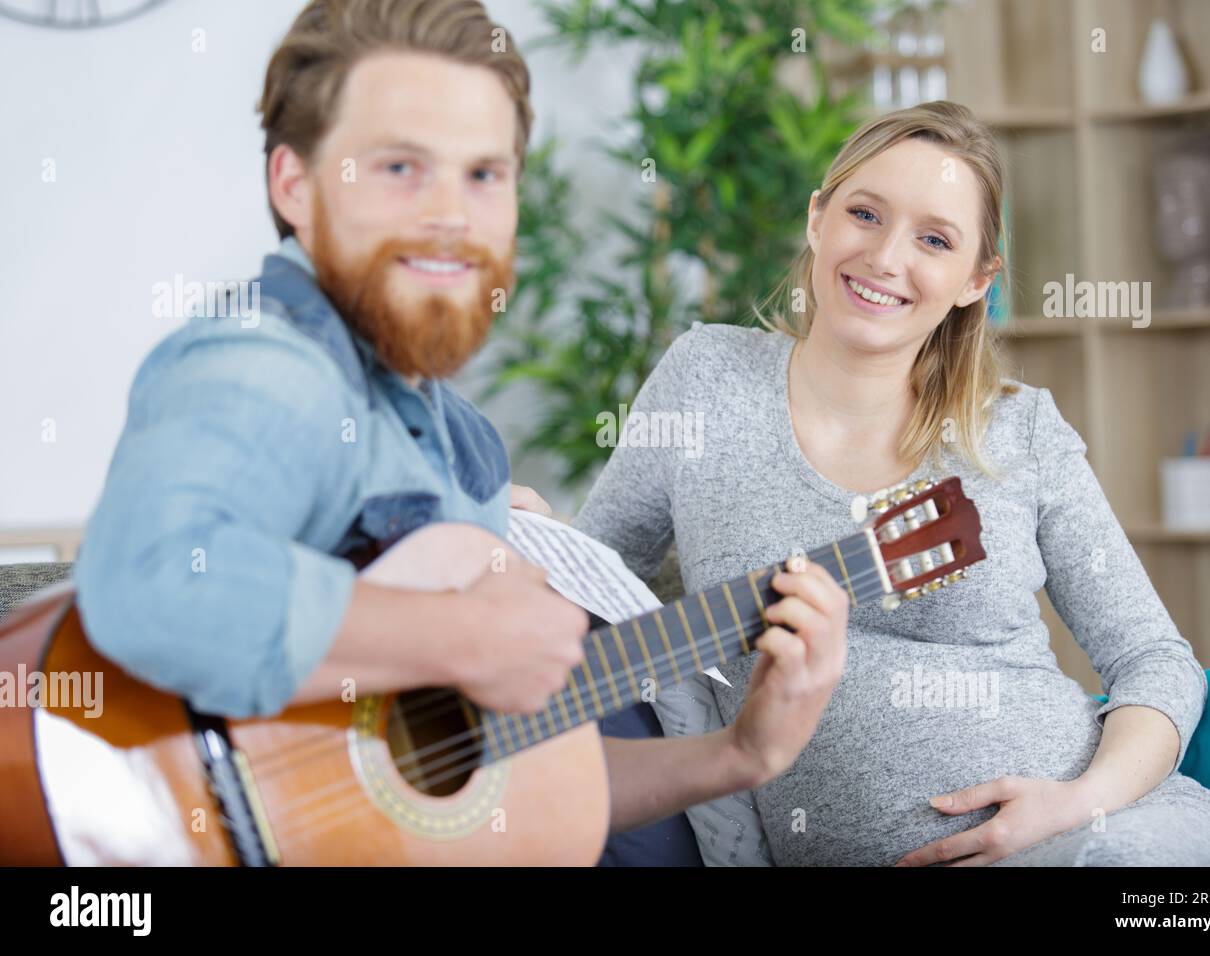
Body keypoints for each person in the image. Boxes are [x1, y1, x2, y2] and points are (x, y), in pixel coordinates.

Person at [73, 0, 847, 848]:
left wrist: (740, 753)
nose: (452, 213)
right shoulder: (273, 366)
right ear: (294, 184)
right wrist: (459, 631)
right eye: (401, 167)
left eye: (484, 174)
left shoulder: (462, 443)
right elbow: (151, 577)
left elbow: (497, 789)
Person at [573, 100, 1210, 866]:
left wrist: (1075, 805)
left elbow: (1155, 660)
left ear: (976, 279)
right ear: (817, 218)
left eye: (933, 238)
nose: (885, 257)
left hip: (1109, 835)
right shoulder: (707, 380)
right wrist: (522, 548)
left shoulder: (1019, 430)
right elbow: (583, 595)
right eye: (865, 214)